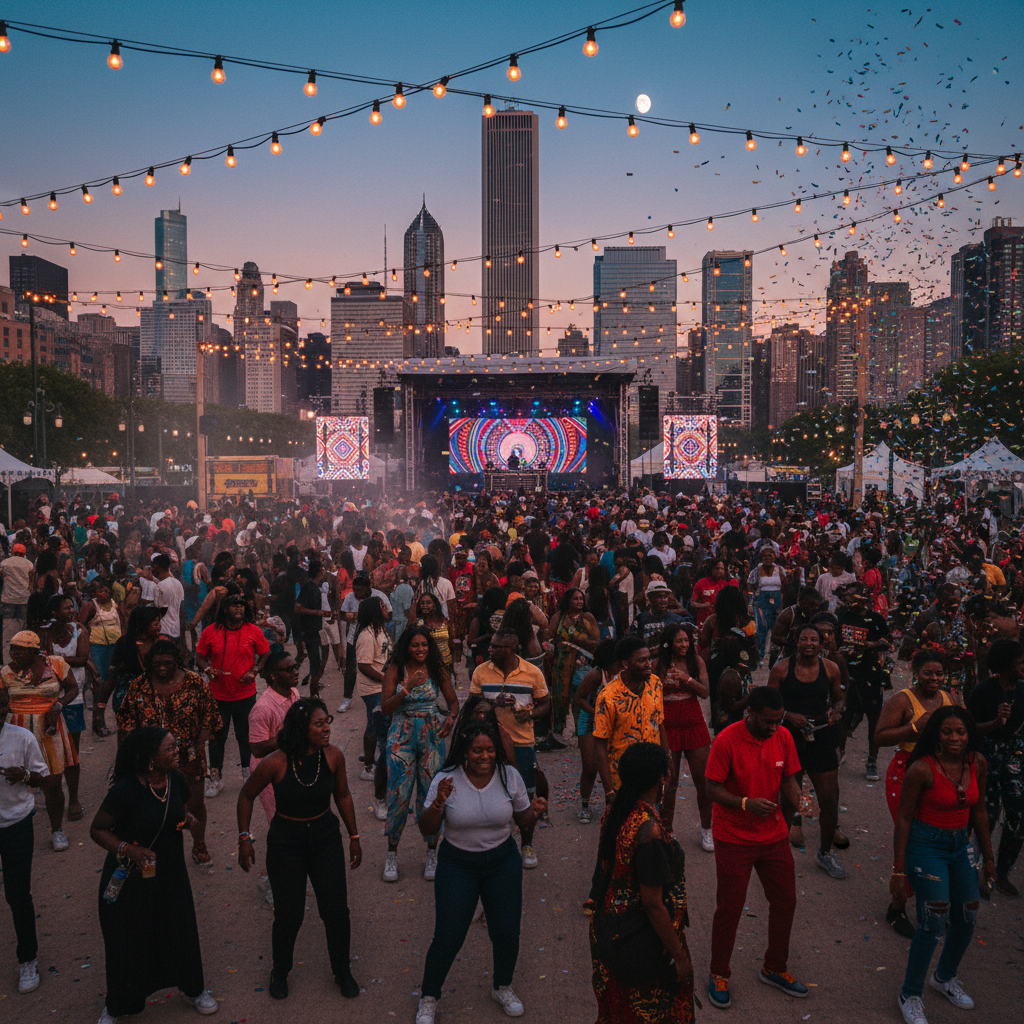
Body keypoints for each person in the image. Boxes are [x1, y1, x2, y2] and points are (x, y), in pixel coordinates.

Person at [414, 720, 547, 1024]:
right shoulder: (447, 779)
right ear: (464, 752)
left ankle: (502, 986)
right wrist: (438, 803)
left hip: (502, 861)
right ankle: (429, 997)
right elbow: (426, 827)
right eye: (477, 750)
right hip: (457, 863)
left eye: (489, 750)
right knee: (448, 935)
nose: (484, 756)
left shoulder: (508, 775)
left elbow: (522, 819)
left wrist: (535, 812)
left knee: (506, 931)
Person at [90, 726, 217, 1022]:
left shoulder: (176, 780)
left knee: (179, 930)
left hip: (170, 872)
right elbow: (97, 829)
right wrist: (126, 848)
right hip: (131, 875)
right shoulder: (124, 791)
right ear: (149, 759)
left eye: (176, 747)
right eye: (170, 749)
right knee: (127, 937)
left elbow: (177, 814)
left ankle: (193, 989)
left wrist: (186, 821)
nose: (177, 753)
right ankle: (118, 1004)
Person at [238, 697, 362, 1001]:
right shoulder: (275, 762)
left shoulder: (333, 757)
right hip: (286, 843)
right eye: (319, 723)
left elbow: (343, 795)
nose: (327, 728)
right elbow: (246, 795)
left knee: (335, 911)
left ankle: (342, 971)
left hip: (325, 838)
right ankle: (280, 971)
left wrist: (354, 836)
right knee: (289, 914)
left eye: (327, 721)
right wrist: (244, 837)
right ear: (301, 728)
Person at [703, 685, 807, 1009]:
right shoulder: (726, 740)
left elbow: (789, 779)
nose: (774, 728)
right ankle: (719, 973)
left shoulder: (784, 737)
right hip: (733, 837)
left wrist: (803, 805)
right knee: (730, 909)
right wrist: (745, 803)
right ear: (750, 713)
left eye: (778, 721)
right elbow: (711, 788)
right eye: (767, 722)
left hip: (773, 835)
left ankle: (774, 967)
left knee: (786, 900)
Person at [890, 707, 994, 1024]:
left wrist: (988, 859)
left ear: (969, 735)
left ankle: (944, 976)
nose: (954, 738)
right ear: (937, 734)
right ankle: (910, 995)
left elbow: (979, 812)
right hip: (925, 845)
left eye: (960, 732)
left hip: (961, 845)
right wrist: (898, 871)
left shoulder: (977, 763)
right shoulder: (921, 769)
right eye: (947, 731)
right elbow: (904, 819)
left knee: (968, 914)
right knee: (934, 919)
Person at [588, 742, 693, 1024]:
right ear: (662, 778)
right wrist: (679, 956)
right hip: (639, 940)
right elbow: (652, 903)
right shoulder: (649, 831)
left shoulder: (616, 810)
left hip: (607, 929)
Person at [116, 640, 221, 864]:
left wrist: (198, 742)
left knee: (194, 804)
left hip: (188, 757)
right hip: (149, 760)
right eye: (156, 664)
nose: (162, 668)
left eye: (168, 663)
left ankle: (199, 843)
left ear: (177, 661)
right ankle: (155, 847)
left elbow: (210, 717)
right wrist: (126, 759)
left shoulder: (195, 683)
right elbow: (125, 724)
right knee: (152, 806)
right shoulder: (138, 686)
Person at [875, 648, 955, 936]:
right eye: (928, 673)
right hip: (905, 773)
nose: (934, 679)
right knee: (908, 840)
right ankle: (897, 907)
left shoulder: (949, 699)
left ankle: (928, 900)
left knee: (930, 841)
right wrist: (912, 727)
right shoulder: (902, 700)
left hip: (938, 775)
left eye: (939, 674)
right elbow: (880, 736)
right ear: (915, 673)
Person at [766, 625, 847, 878]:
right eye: (804, 639)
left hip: (821, 734)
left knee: (829, 800)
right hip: (789, 738)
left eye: (814, 639)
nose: (809, 643)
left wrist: (836, 711)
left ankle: (824, 853)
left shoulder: (830, 668)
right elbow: (768, 703)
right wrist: (788, 715)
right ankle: (779, 852)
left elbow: (839, 698)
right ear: (796, 642)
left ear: (821, 643)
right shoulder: (781, 669)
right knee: (791, 798)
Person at [379, 626, 459, 882]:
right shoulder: (396, 670)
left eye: (424, 644)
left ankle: (432, 852)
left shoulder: (437, 669)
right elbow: (385, 708)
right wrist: (406, 687)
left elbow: (453, 701)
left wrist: (452, 718)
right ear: (407, 647)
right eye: (415, 645)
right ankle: (392, 853)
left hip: (432, 735)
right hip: (400, 736)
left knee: (430, 792)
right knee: (398, 794)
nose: (421, 649)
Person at [469, 628, 550, 868]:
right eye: (491, 645)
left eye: (495, 647)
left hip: (522, 742)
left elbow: (545, 703)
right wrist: (492, 704)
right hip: (488, 743)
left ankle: (527, 843)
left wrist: (530, 714)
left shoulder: (532, 673)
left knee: (525, 795)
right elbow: (472, 706)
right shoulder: (481, 672)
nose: (490, 649)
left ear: (511, 649)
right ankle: (492, 843)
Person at [0, 630, 79, 851]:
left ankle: (57, 830)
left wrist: (59, 705)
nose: (14, 654)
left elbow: (73, 687)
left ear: (35, 652)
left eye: (20, 650)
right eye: (12, 649)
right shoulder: (5, 673)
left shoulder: (55, 664)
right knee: (14, 781)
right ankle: (14, 829)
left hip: (49, 730)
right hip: (16, 731)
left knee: (52, 783)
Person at [0, 684, 49, 995]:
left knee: (18, 895)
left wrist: (25, 776)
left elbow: (44, 777)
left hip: (16, 824)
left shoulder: (22, 738)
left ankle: (27, 959)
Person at [196, 594, 270, 797]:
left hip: (245, 694)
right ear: (225, 609)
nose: (239, 609)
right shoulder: (211, 631)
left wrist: (255, 670)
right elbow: (200, 656)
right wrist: (207, 669)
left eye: (242, 606)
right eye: (234, 605)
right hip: (218, 695)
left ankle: (248, 775)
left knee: (245, 735)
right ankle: (215, 778)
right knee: (217, 737)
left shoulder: (253, 631)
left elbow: (265, 653)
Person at [967, 637, 1024, 896]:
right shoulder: (983, 691)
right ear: (1005, 665)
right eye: (1019, 662)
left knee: (1018, 816)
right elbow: (968, 729)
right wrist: (994, 724)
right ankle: (978, 872)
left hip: (1016, 757)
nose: (1023, 666)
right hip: (987, 754)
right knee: (986, 816)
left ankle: (1001, 873)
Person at [654, 623, 713, 847]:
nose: (684, 645)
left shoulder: (696, 662)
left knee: (703, 780)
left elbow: (706, 692)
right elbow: (650, 693)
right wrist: (662, 683)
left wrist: (686, 679)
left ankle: (706, 827)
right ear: (669, 643)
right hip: (667, 725)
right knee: (669, 782)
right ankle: (667, 829)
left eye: (687, 640)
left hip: (693, 723)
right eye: (679, 641)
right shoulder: (658, 664)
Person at [594, 635, 669, 799]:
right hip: (623, 781)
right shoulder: (608, 697)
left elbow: (659, 724)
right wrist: (609, 791)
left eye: (649, 659)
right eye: (642, 660)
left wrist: (666, 763)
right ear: (625, 664)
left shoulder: (655, 684)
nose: (648, 664)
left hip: (653, 775)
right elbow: (600, 745)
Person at [837, 581, 891, 780]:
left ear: (864, 597)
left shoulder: (875, 619)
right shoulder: (841, 616)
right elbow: (834, 640)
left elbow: (888, 642)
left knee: (873, 718)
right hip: (845, 673)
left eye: (852, 595)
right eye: (847, 596)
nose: (848, 599)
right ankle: (839, 752)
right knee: (843, 714)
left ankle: (872, 760)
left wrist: (869, 645)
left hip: (871, 674)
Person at [46, 594, 89, 820]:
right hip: (50, 696)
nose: (71, 611)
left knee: (72, 752)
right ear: (54, 612)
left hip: (74, 696)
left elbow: (83, 659)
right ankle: (54, 796)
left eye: (71, 607)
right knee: (50, 751)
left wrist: (53, 659)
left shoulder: (80, 630)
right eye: (66, 608)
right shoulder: (48, 633)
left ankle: (72, 799)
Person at [94, 606, 164, 741]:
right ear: (143, 624)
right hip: (127, 702)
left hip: (154, 701)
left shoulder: (161, 643)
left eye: (159, 623)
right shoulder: (125, 644)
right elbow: (111, 676)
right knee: (128, 741)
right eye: (155, 623)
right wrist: (100, 709)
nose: (159, 627)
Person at [572, 639, 619, 823]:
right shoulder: (595, 674)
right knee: (591, 766)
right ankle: (585, 804)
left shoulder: (623, 675)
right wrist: (598, 714)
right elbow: (579, 699)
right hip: (589, 719)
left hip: (613, 722)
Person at [543, 587, 600, 739]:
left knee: (579, 696)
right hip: (561, 663)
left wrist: (577, 638)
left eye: (581, 598)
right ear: (568, 600)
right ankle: (558, 732)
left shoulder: (587, 617)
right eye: (576, 598)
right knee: (559, 696)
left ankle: (581, 730)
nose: (579, 601)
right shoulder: (559, 616)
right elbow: (549, 636)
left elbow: (596, 642)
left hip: (582, 663)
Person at [79, 578, 123, 704]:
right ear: (94, 593)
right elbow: (81, 624)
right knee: (100, 674)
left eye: (105, 589)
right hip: (97, 645)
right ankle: (99, 701)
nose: (103, 592)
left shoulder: (114, 603)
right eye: (99, 590)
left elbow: (121, 622)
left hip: (115, 644)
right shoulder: (90, 605)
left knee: (112, 673)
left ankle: (105, 699)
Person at [748, 546, 787, 661]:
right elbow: (750, 585)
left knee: (777, 628)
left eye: (770, 555)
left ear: (774, 557)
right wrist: (751, 602)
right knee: (761, 629)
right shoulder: (756, 571)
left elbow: (785, 587)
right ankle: (759, 655)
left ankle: (776, 655)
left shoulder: (780, 570)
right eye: (765, 556)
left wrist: (782, 604)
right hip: (761, 602)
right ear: (761, 557)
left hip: (777, 601)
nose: (768, 558)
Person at [149, 553, 185, 650]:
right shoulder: (178, 583)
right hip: (176, 631)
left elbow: (160, 610)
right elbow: (181, 609)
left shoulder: (159, 586)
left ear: (156, 567)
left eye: (153, 567)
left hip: (164, 631)